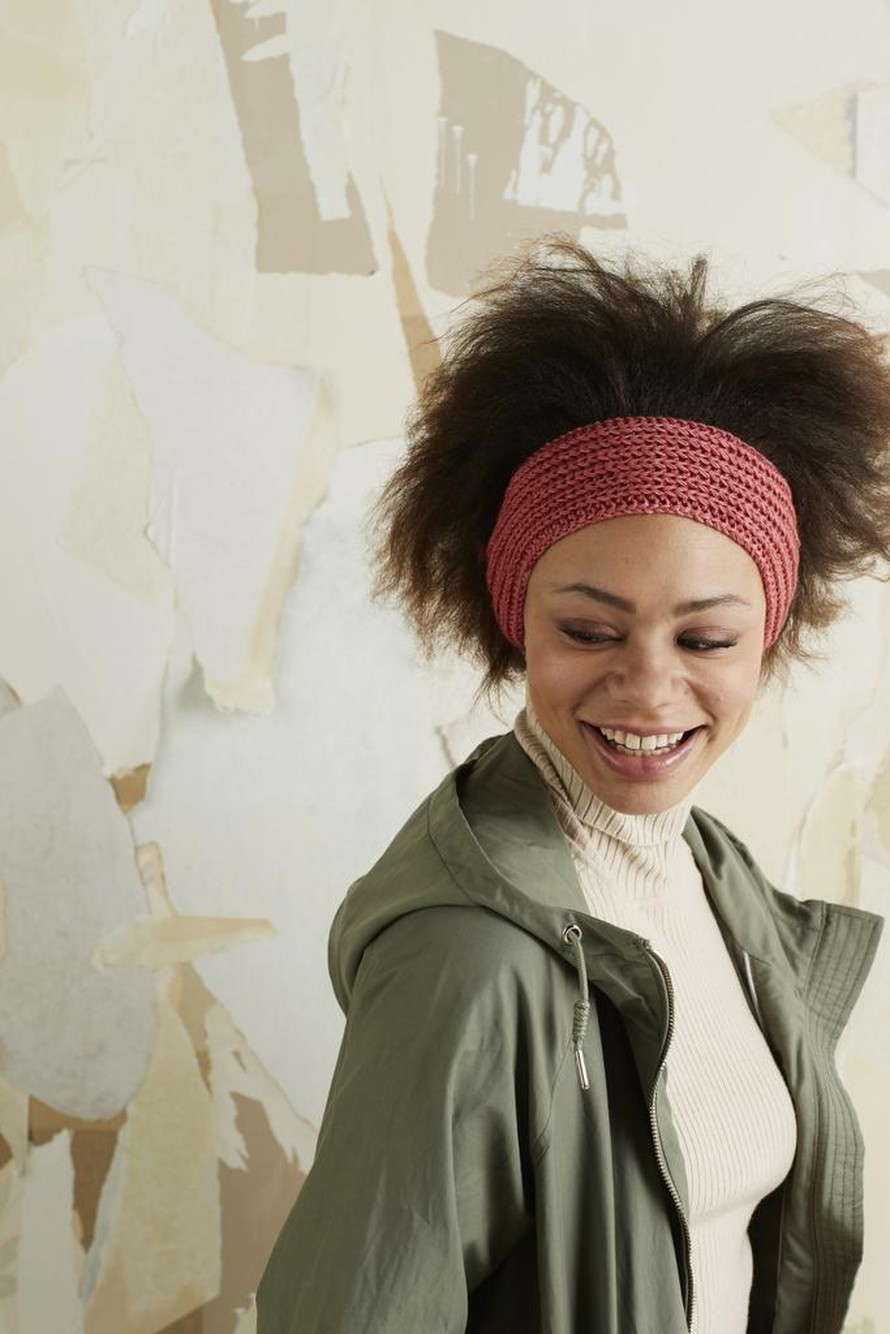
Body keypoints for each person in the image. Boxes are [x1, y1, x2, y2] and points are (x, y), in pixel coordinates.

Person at [256, 240, 890, 1334]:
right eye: (589, 630)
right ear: (515, 618)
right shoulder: (466, 963)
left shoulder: (714, 880)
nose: (648, 686)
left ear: (767, 638)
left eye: (705, 637)